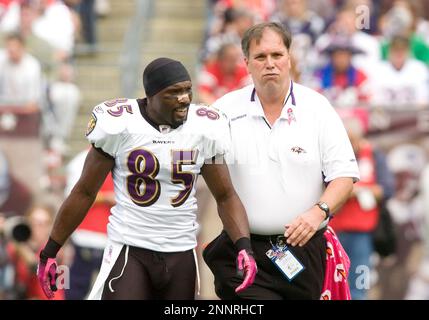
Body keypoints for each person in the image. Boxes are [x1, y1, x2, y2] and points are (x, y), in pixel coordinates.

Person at [36, 57, 257, 300]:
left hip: (181, 249)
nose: (184, 98)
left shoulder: (204, 128)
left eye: (187, 90)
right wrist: (50, 250)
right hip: (131, 248)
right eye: (174, 92)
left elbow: (225, 195)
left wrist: (244, 247)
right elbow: (85, 191)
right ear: (150, 96)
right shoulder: (121, 125)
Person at [203, 22, 360, 300]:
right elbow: (192, 162)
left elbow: (344, 176)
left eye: (277, 55)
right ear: (247, 63)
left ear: (290, 58)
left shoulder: (317, 108)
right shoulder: (224, 110)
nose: (270, 64)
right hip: (243, 250)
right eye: (261, 57)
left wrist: (318, 212)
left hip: (302, 250)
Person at [329, 116, 395, 300]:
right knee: (332, 286)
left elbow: (387, 189)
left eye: (352, 140)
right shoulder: (332, 155)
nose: (349, 145)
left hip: (362, 235)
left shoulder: (374, 155)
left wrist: (356, 191)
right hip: (333, 233)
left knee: (359, 286)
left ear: (360, 138)